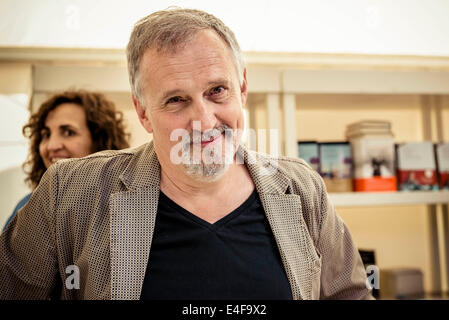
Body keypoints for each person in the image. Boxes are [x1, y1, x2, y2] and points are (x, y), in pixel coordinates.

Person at [0, 8, 373, 300]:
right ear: (143, 112)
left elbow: (349, 294)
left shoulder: (303, 189)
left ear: (241, 88)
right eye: (176, 100)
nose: (203, 121)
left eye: (217, 91)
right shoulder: (68, 193)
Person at [2, 90, 130, 230]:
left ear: (99, 141)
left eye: (69, 132)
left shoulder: (125, 208)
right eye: (46, 135)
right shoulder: (26, 208)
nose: (52, 145)